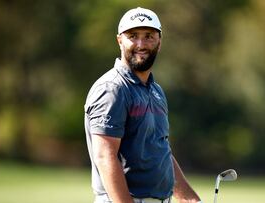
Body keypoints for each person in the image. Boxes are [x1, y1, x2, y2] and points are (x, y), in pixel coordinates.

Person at [84, 7, 202, 203]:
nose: (141, 44)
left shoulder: (155, 91)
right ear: (119, 40)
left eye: (149, 36)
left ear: (159, 42)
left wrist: (190, 200)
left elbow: (160, 152)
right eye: (133, 36)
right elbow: (105, 157)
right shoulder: (112, 89)